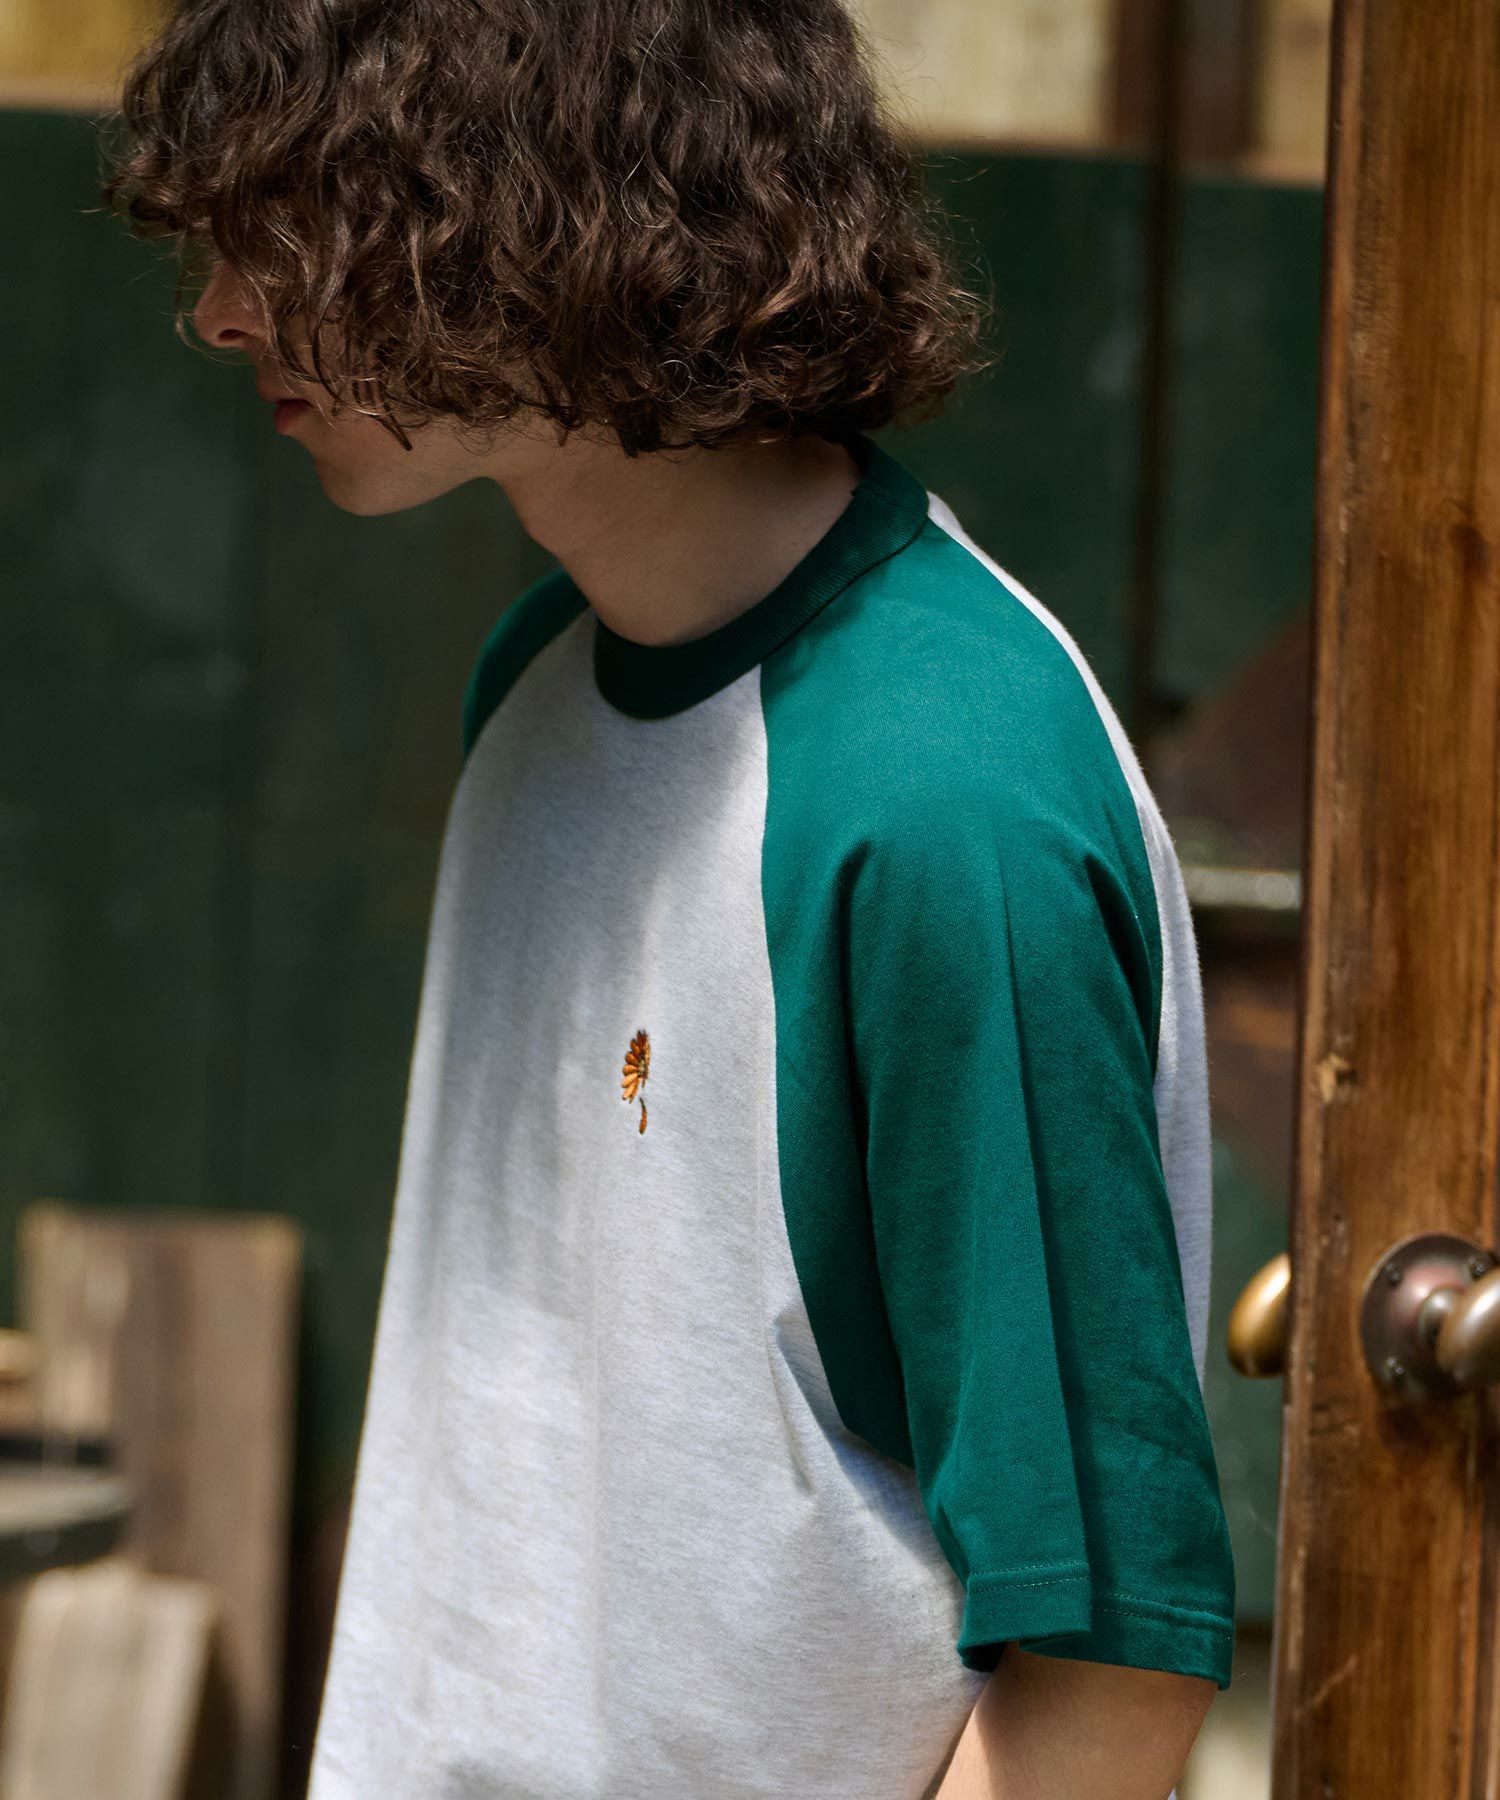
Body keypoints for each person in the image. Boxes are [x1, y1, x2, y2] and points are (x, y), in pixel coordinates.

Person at [106, 2, 1235, 1794]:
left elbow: (1108, 1670)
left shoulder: (941, 799)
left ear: (528, 196)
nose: (227, 311)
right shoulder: (543, 685)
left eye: (302, 224)